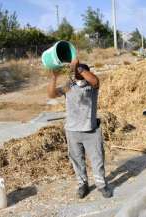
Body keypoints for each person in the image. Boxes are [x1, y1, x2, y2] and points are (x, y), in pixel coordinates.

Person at [47, 58, 112, 199]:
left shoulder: (91, 86)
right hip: (72, 131)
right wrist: (53, 77)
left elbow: (95, 81)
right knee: (77, 160)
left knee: (97, 160)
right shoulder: (69, 86)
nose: (76, 75)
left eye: (79, 71)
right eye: (75, 71)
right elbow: (51, 94)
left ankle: (101, 185)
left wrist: (79, 69)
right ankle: (83, 185)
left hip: (91, 131)